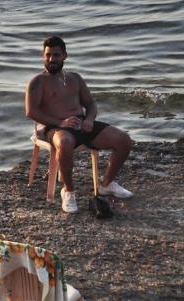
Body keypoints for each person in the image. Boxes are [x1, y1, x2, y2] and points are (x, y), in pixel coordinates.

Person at [25, 36, 133, 213]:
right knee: (65, 143)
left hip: (82, 124)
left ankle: (106, 184)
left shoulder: (75, 78)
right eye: (48, 55)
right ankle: (68, 191)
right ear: (43, 56)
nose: (51, 59)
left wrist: (89, 120)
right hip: (55, 127)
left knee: (124, 140)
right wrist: (61, 122)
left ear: (65, 56)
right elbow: (31, 112)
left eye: (56, 55)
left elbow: (90, 104)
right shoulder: (37, 82)